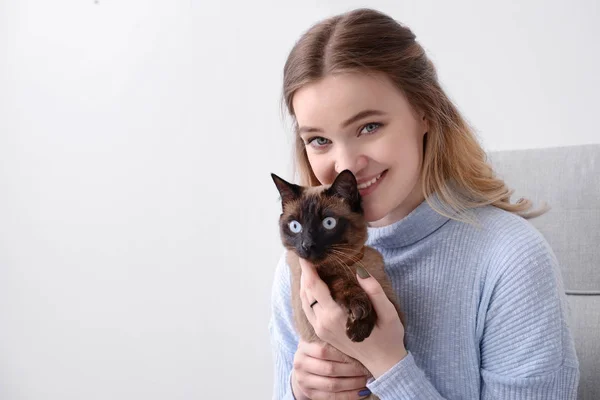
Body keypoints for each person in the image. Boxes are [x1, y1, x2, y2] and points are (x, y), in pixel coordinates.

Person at [269, 8, 579, 400]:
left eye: (369, 127)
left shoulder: (511, 260)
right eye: (319, 140)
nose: (345, 164)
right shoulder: (300, 262)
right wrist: (299, 391)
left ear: (424, 111)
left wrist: (390, 367)